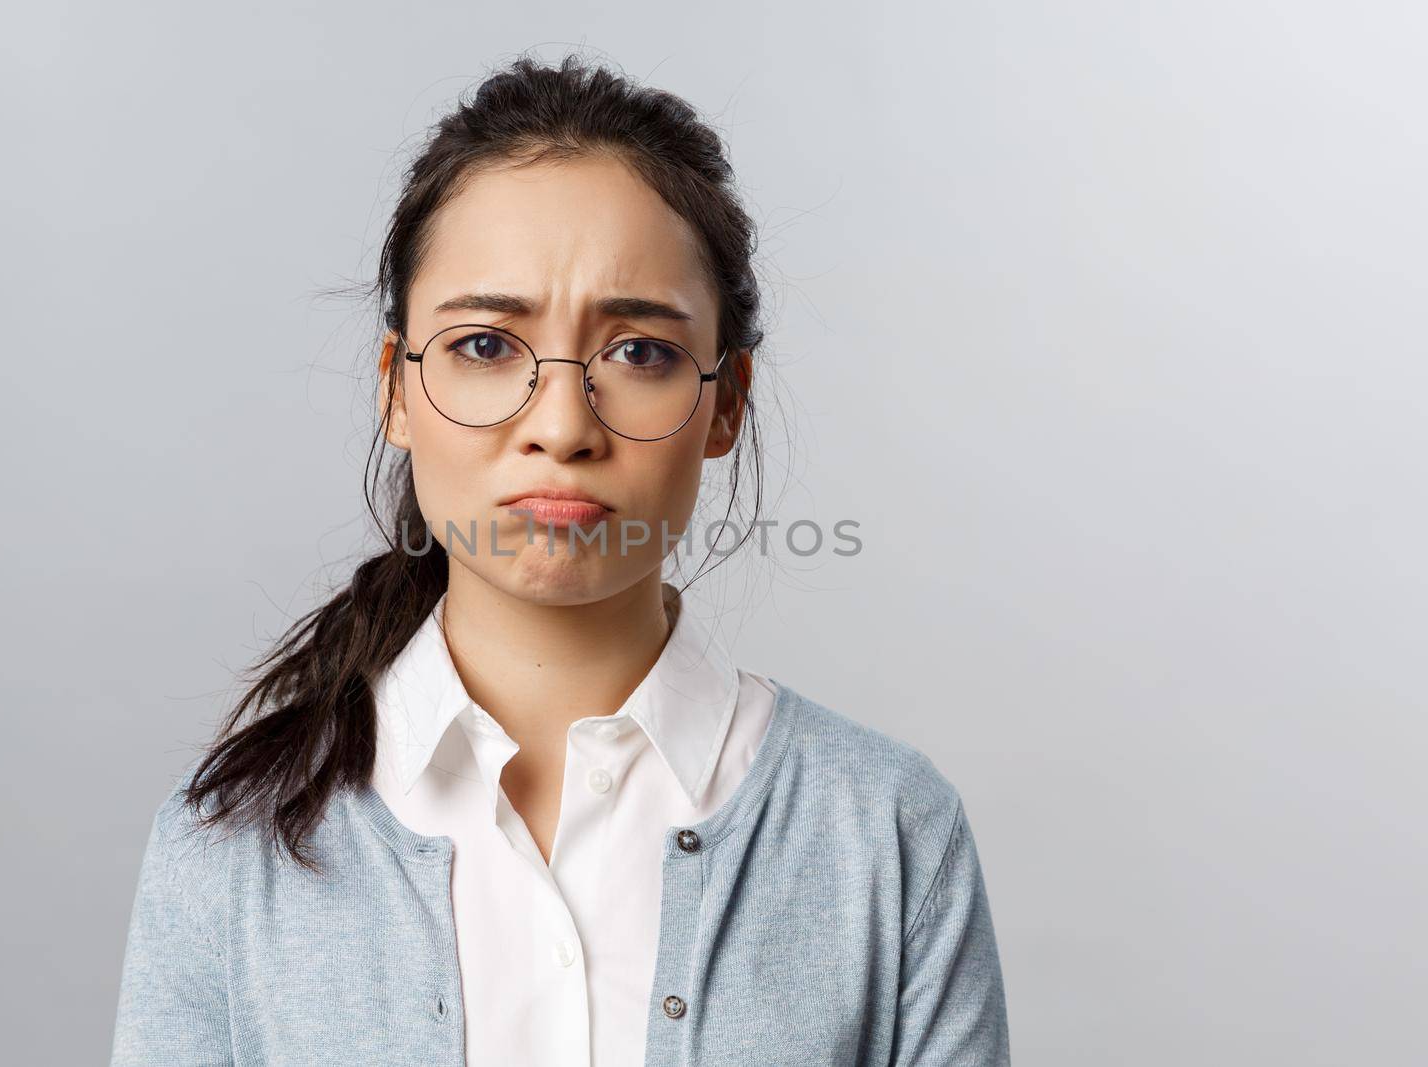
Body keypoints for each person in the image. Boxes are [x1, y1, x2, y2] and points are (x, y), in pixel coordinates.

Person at [110, 53, 1010, 1067]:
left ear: (726, 402)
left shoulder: (883, 829)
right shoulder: (229, 846)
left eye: (639, 353)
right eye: (487, 344)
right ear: (395, 388)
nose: (562, 425)